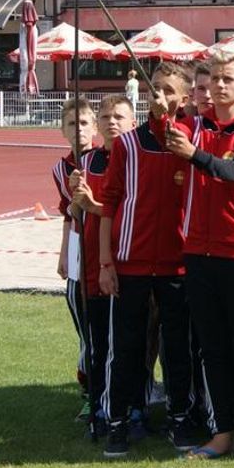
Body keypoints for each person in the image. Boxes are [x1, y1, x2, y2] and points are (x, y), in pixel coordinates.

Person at [161, 53, 234, 468]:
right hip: (198, 253)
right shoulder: (193, 125)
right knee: (211, 350)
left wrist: (194, 155)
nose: (218, 86)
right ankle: (221, 433)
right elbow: (163, 136)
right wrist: (162, 116)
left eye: (228, 79)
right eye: (213, 79)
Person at [98, 62, 197, 459]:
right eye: (155, 88)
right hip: (130, 262)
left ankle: (178, 418)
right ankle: (120, 421)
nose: (160, 96)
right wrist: (106, 263)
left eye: (169, 90)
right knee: (127, 347)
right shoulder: (126, 145)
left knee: (177, 348)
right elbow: (108, 204)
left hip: (178, 265)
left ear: (185, 98)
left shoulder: (193, 142)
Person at [67, 94, 137, 432]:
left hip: (128, 261)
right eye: (106, 116)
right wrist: (75, 201)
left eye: (119, 116)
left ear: (132, 122)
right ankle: (98, 403)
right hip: (94, 265)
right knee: (98, 342)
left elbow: (133, 211)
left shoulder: (138, 158)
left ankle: (127, 406)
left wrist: (94, 206)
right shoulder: (88, 161)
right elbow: (76, 214)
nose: (112, 122)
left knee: (128, 344)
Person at [53, 97, 96, 418]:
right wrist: (64, 254)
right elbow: (68, 215)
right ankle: (89, 390)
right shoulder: (60, 169)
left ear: (93, 127)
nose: (78, 129)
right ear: (63, 130)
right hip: (80, 252)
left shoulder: (108, 157)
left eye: (84, 123)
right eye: (72, 124)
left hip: (107, 247)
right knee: (85, 328)